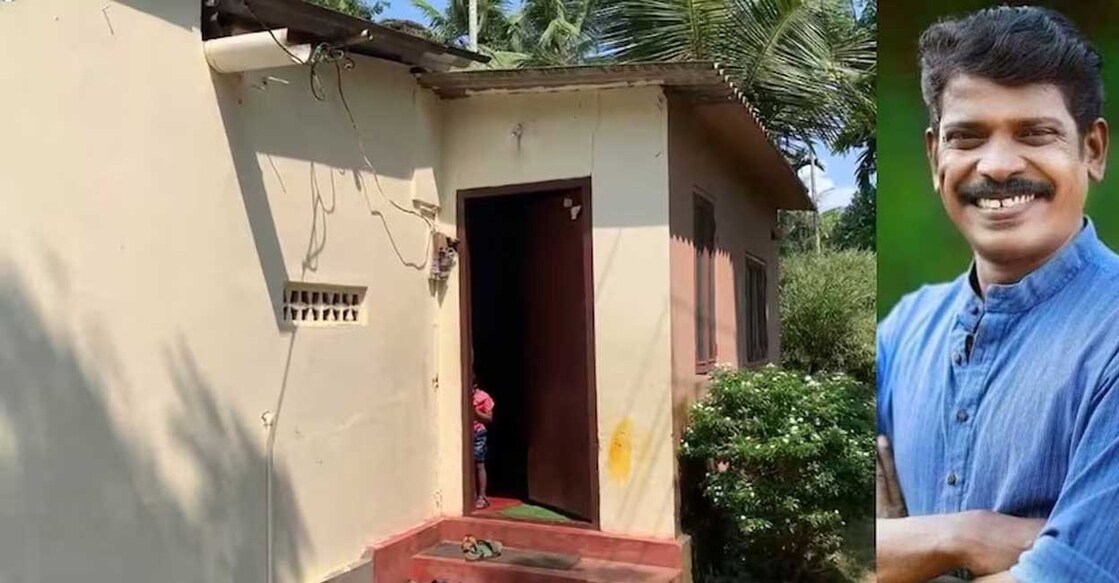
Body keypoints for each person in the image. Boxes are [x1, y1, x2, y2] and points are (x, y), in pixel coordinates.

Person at [876, 6, 1119, 582]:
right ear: (936, 157)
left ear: (1093, 150)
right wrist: (964, 536)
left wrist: (901, 552)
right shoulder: (903, 331)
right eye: (969, 136)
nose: (999, 165)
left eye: (1035, 133)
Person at [472, 381, 495, 510]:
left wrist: (475, 411)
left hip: (478, 433)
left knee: (479, 463)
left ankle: (482, 496)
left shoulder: (484, 397)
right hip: (463, 433)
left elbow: (489, 419)